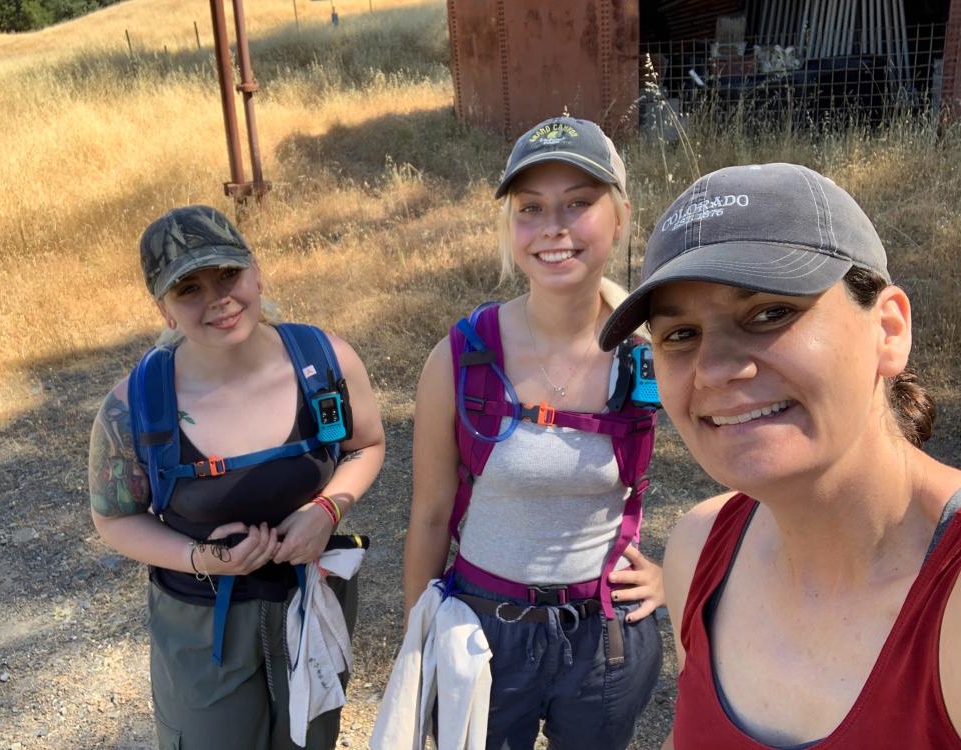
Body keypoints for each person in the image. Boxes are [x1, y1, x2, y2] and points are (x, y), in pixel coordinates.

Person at [597, 163, 961, 749]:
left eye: (771, 313)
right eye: (680, 335)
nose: (715, 368)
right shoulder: (700, 549)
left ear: (888, 330)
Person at [397, 117, 664, 749]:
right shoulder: (460, 358)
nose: (554, 227)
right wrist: (421, 640)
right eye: (531, 208)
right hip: (484, 631)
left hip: (606, 636)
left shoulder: (651, 352)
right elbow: (431, 514)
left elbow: (754, 465)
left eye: (579, 203)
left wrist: (675, 572)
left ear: (620, 216)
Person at [87, 205, 385, 750]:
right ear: (164, 307)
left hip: (312, 604)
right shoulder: (133, 408)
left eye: (228, 275)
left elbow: (365, 445)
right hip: (202, 627)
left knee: (310, 739)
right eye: (188, 288)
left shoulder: (324, 361)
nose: (218, 298)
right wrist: (200, 558)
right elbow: (114, 518)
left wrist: (328, 509)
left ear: (256, 273)